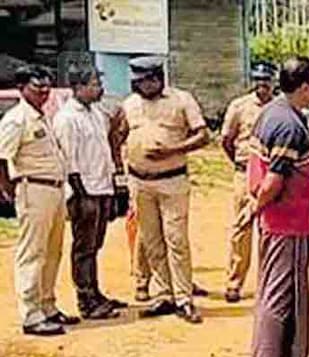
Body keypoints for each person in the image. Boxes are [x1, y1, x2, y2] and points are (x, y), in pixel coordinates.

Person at [247, 56, 309, 357]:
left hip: (280, 222)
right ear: (303, 87)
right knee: (282, 297)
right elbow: (274, 181)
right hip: (287, 224)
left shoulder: (274, 112)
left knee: (276, 293)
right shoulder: (288, 125)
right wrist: (256, 207)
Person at [119, 56, 209, 324]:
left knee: (176, 240)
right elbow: (119, 133)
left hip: (172, 181)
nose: (142, 87)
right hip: (140, 182)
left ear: (158, 79)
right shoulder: (130, 104)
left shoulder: (181, 100)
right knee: (151, 241)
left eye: (146, 81)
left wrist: (172, 150)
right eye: (138, 82)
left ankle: (184, 298)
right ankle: (163, 294)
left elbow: (203, 136)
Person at [0, 65, 78, 336]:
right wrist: (8, 190)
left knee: (52, 251)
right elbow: (2, 158)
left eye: (47, 88)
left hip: (54, 190)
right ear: (22, 88)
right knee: (32, 253)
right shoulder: (16, 119)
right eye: (37, 87)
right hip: (33, 189)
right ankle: (31, 315)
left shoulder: (42, 117)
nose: (44, 92)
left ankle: (48, 305)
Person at [54, 66, 128, 321]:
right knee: (84, 247)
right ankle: (85, 300)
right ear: (78, 87)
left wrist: (114, 188)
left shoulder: (96, 113)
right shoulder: (67, 118)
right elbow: (69, 161)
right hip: (84, 191)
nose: (100, 89)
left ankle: (96, 293)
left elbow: (106, 152)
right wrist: (81, 195)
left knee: (95, 245)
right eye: (94, 84)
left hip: (102, 187)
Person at [220, 63, 275, 304]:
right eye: (258, 80)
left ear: (273, 82)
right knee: (241, 228)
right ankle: (234, 282)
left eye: (266, 80)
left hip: (273, 176)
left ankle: (267, 283)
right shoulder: (239, 106)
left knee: (270, 229)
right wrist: (241, 163)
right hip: (245, 175)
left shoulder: (280, 107)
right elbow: (227, 139)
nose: (262, 85)